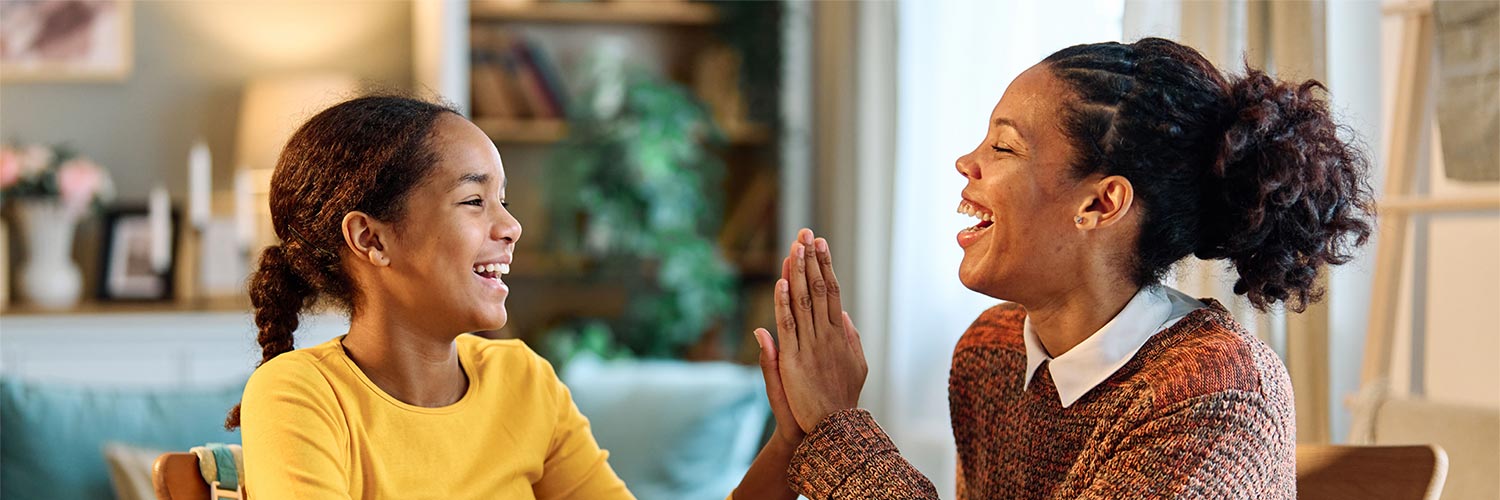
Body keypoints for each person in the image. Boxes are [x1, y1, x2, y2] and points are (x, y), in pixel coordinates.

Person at [758, 38, 1376, 499]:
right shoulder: (990, 352)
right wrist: (801, 433)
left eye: (1003, 147)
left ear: (1100, 203)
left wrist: (839, 433)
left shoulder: (1215, 394)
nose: (965, 162)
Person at [227, 95, 803, 499]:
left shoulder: (524, 382)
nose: (511, 227)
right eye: (474, 202)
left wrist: (791, 441)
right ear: (371, 239)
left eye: (502, 200)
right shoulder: (298, 396)